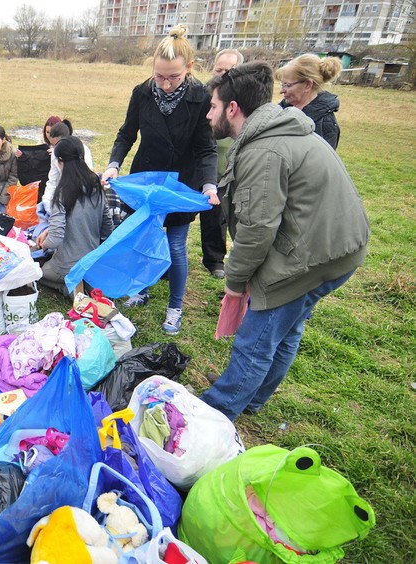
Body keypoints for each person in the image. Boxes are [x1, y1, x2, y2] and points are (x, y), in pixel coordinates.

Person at [200, 62, 369, 420]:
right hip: (337, 248)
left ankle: (218, 410)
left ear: (232, 109)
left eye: (212, 106)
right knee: (287, 329)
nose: (207, 115)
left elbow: (257, 230)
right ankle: (253, 396)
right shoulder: (273, 133)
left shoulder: (264, 151)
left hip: (314, 256)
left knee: (256, 339)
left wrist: (235, 283)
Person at [101, 25, 218, 334]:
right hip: (147, 181)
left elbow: (207, 148)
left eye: (174, 77)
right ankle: (141, 287)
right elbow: (127, 133)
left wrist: (208, 184)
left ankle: (175, 306)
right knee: (142, 238)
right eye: (160, 76)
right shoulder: (141, 92)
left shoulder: (201, 97)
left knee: (176, 245)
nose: (166, 84)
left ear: (189, 68)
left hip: (181, 184)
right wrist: (114, 164)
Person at [37, 136, 113, 296]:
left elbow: (56, 239)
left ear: (61, 161)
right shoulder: (96, 186)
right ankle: (86, 283)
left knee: (39, 273)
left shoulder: (61, 193)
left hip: (67, 264)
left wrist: (42, 245)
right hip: (92, 262)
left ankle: (69, 288)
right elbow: (107, 229)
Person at [200, 48, 244, 279]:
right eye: (219, 69)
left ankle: (214, 259)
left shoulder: (241, 99)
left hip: (222, 166)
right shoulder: (203, 93)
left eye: (229, 70)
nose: (222, 74)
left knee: (217, 216)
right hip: (197, 162)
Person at [275, 54, 343, 149]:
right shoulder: (281, 110)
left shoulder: (325, 125)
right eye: (282, 84)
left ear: (308, 85)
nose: (281, 91)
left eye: (287, 85)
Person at [41, 119, 94, 210]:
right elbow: (53, 180)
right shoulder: (55, 153)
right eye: (53, 145)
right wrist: (46, 200)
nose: (55, 148)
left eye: (57, 145)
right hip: (63, 197)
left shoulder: (83, 150)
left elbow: (88, 178)